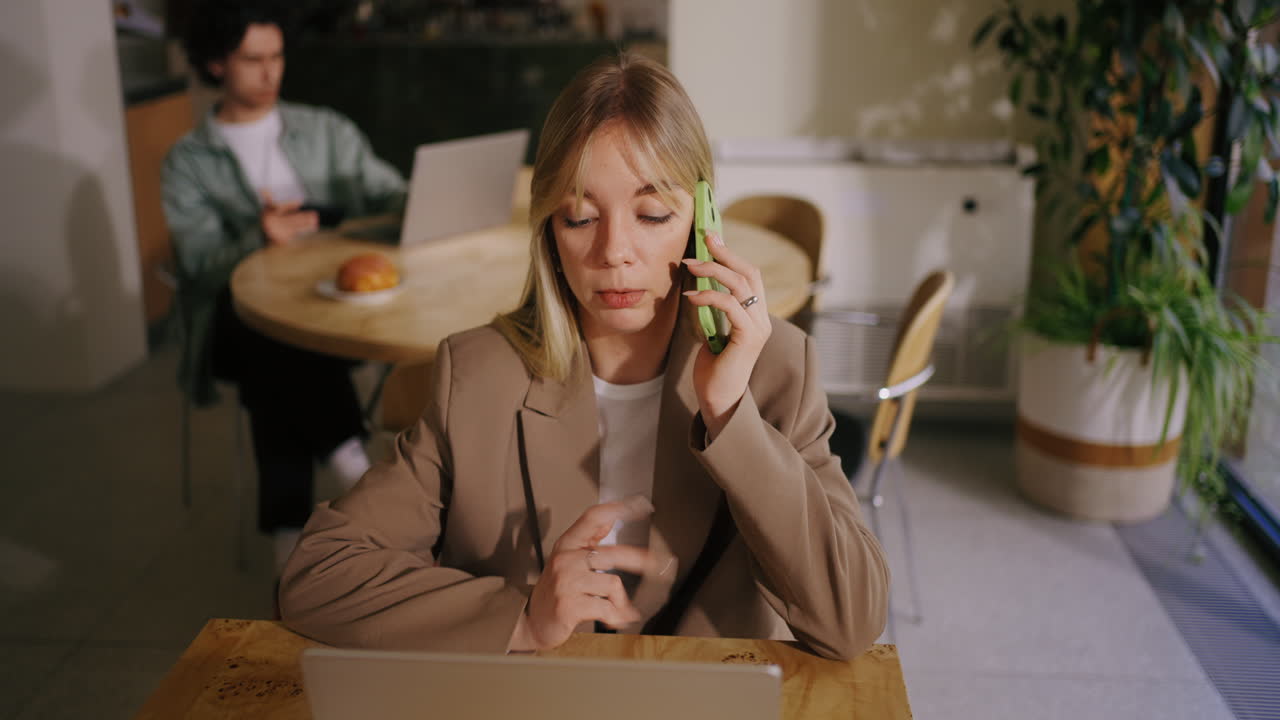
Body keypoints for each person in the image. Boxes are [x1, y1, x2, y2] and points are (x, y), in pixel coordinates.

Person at [278, 53, 889, 660]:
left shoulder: (776, 365)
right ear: (549, 227)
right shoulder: (477, 374)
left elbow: (851, 621)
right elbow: (315, 575)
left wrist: (730, 412)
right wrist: (522, 621)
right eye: (580, 217)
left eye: (653, 214)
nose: (614, 251)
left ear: (703, 222)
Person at [162, 0, 406, 571]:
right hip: (229, 322)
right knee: (267, 327)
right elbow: (197, 263)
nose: (271, 73)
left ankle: (288, 540)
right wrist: (256, 237)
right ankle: (351, 456)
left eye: (277, 57)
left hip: (327, 309)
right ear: (217, 63)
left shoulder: (324, 129)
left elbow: (388, 191)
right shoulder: (188, 160)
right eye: (253, 60)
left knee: (276, 374)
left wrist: (417, 200)